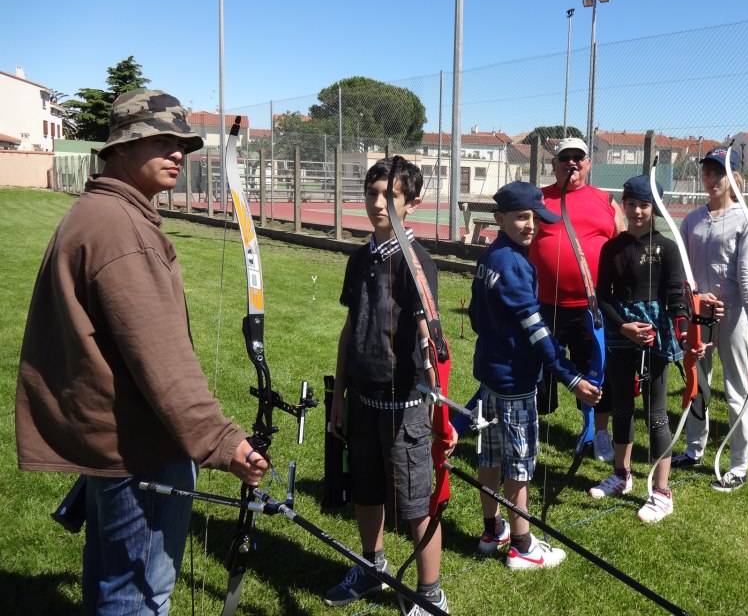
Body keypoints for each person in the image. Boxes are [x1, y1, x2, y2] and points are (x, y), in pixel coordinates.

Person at [16, 88, 270, 615]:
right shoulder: (121, 230)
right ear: (121, 148)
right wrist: (224, 443)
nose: (178, 152)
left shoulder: (97, 214)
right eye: (160, 140)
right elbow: (162, 363)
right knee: (137, 598)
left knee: (113, 586)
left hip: (113, 448)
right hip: (141, 452)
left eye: (182, 143)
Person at [325, 157, 454, 614]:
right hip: (362, 397)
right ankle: (372, 567)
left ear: (412, 204)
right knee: (366, 488)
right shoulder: (360, 258)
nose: (378, 203)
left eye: (390, 196)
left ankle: (429, 593)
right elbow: (350, 328)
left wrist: (439, 407)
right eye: (372, 193)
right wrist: (339, 395)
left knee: (417, 501)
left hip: (405, 404)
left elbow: (429, 336)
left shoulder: (417, 263)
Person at [469, 181, 601, 567]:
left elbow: (478, 318)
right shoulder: (513, 264)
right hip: (515, 382)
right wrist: (570, 376)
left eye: (536, 218)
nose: (531, 225)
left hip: (493, 375)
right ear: (500, 218)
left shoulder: (492, 256)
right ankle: (523, 547)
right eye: (522, 217)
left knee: (490, 454)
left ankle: (493, 530)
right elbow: (537, 329)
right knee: (519, 463)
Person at [591, 175, 694, 522]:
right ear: (623, 204)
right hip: (621, 331)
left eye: (644, 204)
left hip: (655, 335)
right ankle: (622, 475)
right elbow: (601, 297)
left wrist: (684, 337)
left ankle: (661, 491)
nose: (636, 211)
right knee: (621, 405)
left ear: (656, 209)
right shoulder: (611, 248)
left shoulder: (666, 247)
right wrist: (622, 326)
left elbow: (677, 297)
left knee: (656, 413)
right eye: (631, 203)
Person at [672, 147, 748, 492]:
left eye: (719, 173)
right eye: (707, 172)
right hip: (699, 313)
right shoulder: (692, 219)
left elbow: (747, 275)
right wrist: (692, 299)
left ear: (732, 178)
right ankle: (693, 449)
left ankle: (739, 464)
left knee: (736, 388)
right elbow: (682, 270)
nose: (711, 179)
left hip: (734, 316)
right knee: (698, 382)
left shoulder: (746, 218)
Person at [527, 136, 624, 462]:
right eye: (564, 158)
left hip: (590, 307)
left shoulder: (606, 200)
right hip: (543, 304)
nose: (571, 163)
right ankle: (529, 430)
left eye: (578, 158)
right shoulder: (538, 199)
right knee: (537, 369)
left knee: (595, 372)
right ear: (553, 164)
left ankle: (597, 433)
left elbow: (621, 247)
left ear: (588, 163)